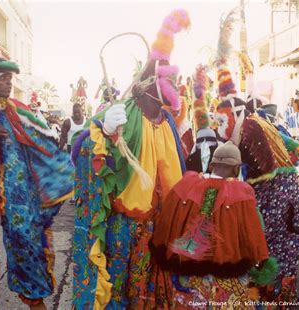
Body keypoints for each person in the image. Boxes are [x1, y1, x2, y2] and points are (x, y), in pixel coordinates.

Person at [71, 9, 190, 309]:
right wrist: (103, 130)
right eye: (171, 80)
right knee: (117, 284)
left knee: (146, 284)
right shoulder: (123, 112)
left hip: (156, 224)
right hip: (122, 223)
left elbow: (177, 171)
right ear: (151, 83)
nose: (177, 87)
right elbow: (80, 150)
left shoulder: (168, 122)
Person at [0, 57, 73, 310]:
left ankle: (35, 300)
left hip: (18, 193)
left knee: (27, 243)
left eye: (10, 79)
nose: (8, 83)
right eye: (3, 78)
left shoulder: (19, 111)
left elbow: (44, 142)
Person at [213, 9, 299, 303]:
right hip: (289, 188)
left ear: (234, 113)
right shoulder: (259, 120)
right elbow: (289, 143)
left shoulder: (248, 127)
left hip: (273, 191)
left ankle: (266, 299)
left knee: (263, 243)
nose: (220, 125)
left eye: (222, 118)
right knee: (288, 241)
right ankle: (283, 297)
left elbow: (227, 169)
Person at [151, 141, 277, 307]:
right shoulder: (241, 193)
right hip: (226, 275)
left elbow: (166, 222)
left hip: (187, 273)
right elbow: (252, 234)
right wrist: (261, 261)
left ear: (211, 165)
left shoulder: (186, 184)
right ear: (236, 169)